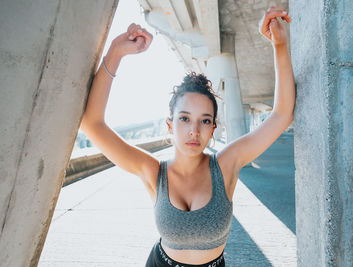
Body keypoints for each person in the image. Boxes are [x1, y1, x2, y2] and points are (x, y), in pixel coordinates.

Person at [80, 5, 294, 267]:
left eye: (205, 121)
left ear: (214, 128)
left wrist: (280, 46)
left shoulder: (226, 165)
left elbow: (282, 115)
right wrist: (115, 52)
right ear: (170, 125)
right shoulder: (152, 171)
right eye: (184, 119)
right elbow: (92, 124)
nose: (194, 130)